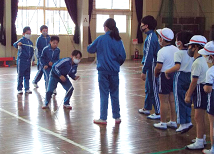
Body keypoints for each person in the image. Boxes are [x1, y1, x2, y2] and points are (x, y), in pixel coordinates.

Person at [87, 18, 126, 125]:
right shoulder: (119, 40)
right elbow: (123, 56)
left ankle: (103, 118)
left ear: (106, 27)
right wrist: (116, 64)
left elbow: (90, 50)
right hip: (114, 71)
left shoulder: (101, 39)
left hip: (103, 72)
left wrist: (89, 45)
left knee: (104, 94)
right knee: (115, 94)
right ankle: (117, 117)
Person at [165, 31, 194, 133]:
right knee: (188, 100)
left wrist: (167, 71)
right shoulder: (192, 53)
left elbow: (177, 66)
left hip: (180, 76)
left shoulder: (178, 53)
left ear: (180, 43)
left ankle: (182, 123)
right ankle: (188, 120)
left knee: (179, 100)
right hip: (191, 76)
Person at [185, 35, 208, 150]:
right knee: (201, 116)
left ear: (195, 47)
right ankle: (201, 137)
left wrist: (188, 95)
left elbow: (194, 81)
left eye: (190, 46)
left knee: (198, 116)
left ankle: (199, 141)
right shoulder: (203, 60)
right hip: (203, 89)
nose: (188, 49)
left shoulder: (197, 63)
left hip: (199, 89)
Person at [153, 28, 179, 130]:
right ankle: (173, 121)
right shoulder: (176, 49)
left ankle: (163, 122)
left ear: (163, 39)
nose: (159, 39)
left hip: (164, 76)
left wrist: (155, 74)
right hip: (174, 75)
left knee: (163, 100)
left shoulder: (162, 51)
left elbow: (159, 66)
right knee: (172, 100)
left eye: (159, 37)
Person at [138, 15, 160, 120]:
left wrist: (144, 70)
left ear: (146, 26)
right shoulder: (149, 36)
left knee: (154, 88)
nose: (141, 27)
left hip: (152, 65)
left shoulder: (151, 37)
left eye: (142, 25)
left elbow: (149, 56)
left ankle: (158, 111)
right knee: (148, 87)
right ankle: (147, 107)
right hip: (150, 65)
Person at [199, 41, 214, 154]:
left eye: (205, 56)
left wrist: (204, 88)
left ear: (211, 57)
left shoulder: (210, 71)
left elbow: (208, 89)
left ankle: (213, 148)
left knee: (212, 124)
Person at [13, 26, 34, 94]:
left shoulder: (30, 43)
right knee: (20, 75)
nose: (29, 35)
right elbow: (14, 44)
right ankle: (19, 89)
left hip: (28, 61)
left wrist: (32, 60)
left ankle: (27, 88)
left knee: (27, 75)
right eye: (27, 33)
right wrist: (18, 44)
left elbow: (32, 52)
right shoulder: (21, 40)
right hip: (21, 61)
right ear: (23, 34)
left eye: (29, 33)